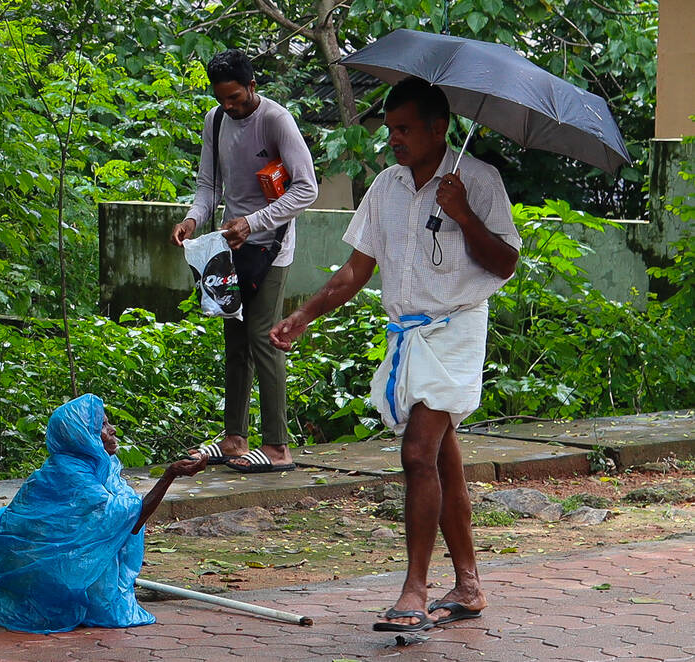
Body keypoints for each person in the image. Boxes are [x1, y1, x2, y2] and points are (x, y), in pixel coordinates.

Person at [269, 77, 521, 632]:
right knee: (441, 454)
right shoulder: (385, 185)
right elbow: (357, 270)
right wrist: (304, 315)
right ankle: (469, 583)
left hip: (455, 330)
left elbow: (504, 264)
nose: (395, 140)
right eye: (390, 129)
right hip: (407, 334)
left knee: (417, 452)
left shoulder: (477, 180)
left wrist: (463, 215)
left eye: (405, 129)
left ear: (439, 128)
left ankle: (414, 588)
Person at [0, 394, 206, 634]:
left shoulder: (99, 466)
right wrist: (170, 474)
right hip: (22, 555)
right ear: (82, 434)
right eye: (102, 425)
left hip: (41, 550)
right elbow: (131, 518)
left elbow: (124, 520)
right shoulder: (70, 474)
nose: (113, 431)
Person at [170, 49, 318, 473]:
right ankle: (234, 437)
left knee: (261, 338)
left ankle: (277, 446)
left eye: (235, 98)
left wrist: (254, 223)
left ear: (253, 86)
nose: (229, 107)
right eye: (222, 99)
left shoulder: (276, 121)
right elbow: (207, 184)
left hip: (272, 247)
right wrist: (193, 218)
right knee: (234, 342)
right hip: (230, 247)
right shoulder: (215, 121)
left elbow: (307, 189)